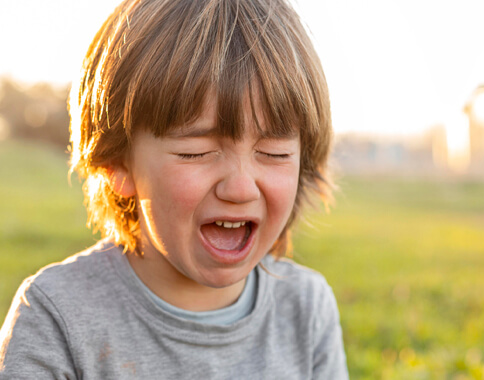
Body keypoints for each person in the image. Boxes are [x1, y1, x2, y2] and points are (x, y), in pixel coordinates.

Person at [0, 0, 348, 377]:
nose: (241, 187)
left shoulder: (307, 309)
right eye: (195, 152)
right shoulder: (56, 318)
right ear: (117, 163)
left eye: (273, 152)